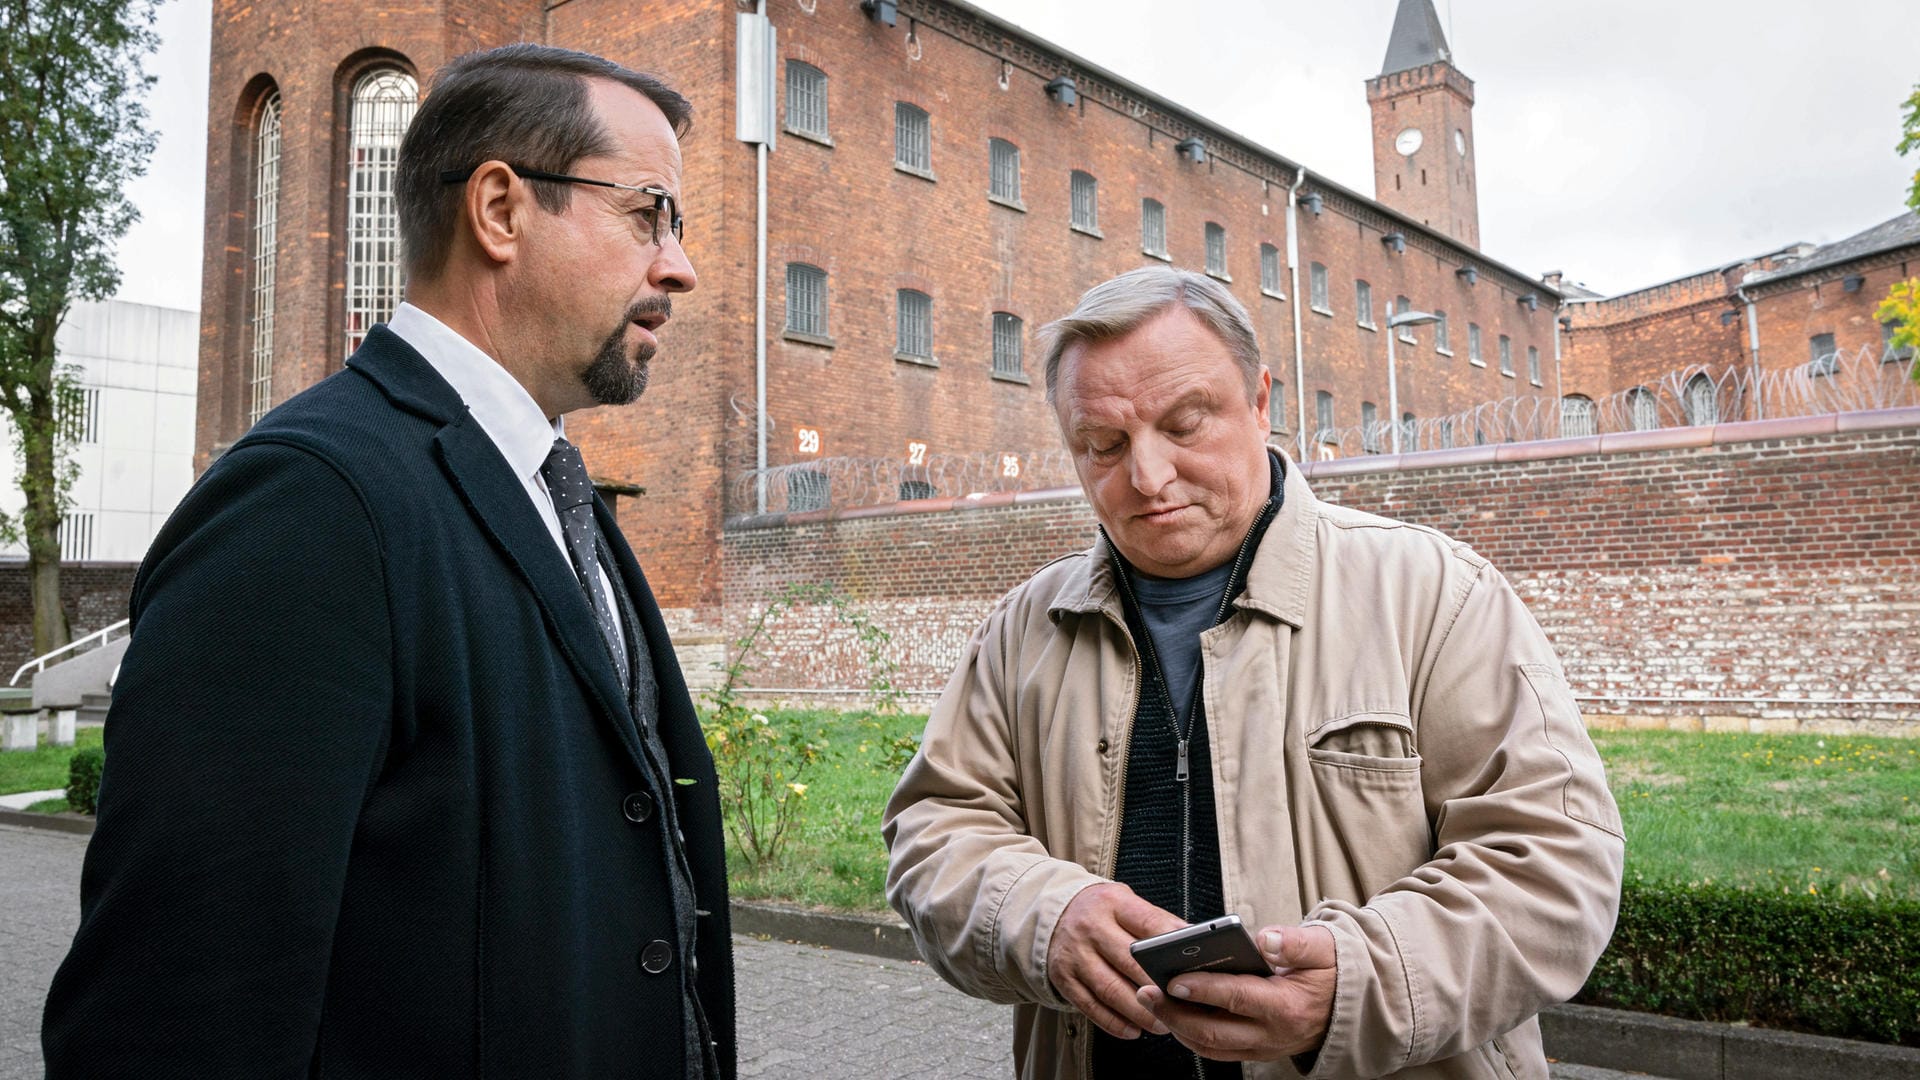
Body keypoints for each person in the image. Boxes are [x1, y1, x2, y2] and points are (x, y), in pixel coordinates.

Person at [42, 44, 735, 1079]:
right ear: (499, 209)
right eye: (648, 213)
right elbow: (175, 1018)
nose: (678, 264)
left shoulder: (551, 487)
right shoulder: (308, 506)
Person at [883, 265, 1623, 1080]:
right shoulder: (1022, 629)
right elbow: (935, 834)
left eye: (1186, 423)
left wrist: (1357, 985)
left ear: (1260, 400)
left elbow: (1554, 865)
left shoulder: (1434, 595)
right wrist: (1039, 916)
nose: (1148, 476)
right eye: (1103, 445)